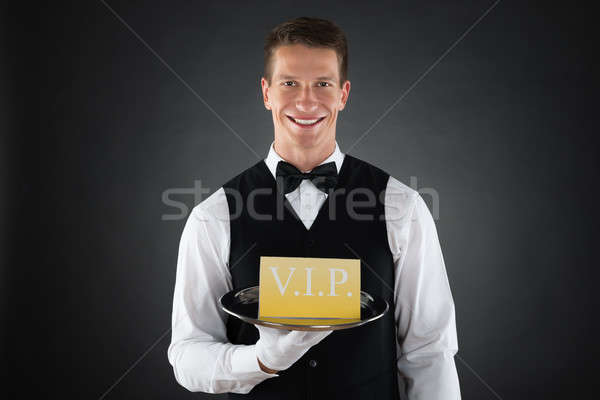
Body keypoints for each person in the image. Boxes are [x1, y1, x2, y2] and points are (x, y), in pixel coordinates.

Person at [167, 16, 461, 400]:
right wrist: (262, 360)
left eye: (323, 83)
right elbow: (188, 355)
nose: (306, 101)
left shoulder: (402, 206)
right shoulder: (213, 215)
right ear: (266, 92)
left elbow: (430, 353)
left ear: (343, 93)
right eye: (290, 83)